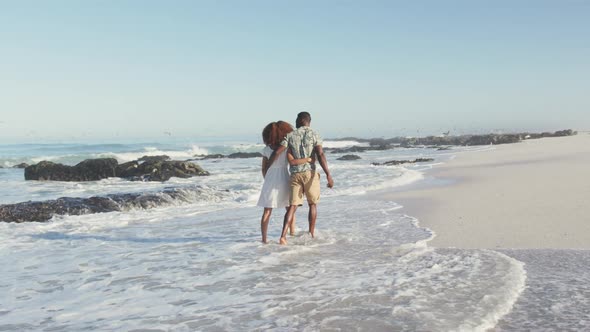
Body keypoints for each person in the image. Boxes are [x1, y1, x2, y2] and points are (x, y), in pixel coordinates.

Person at [276, 112, 334, 245]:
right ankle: (311, 233)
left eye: (297, 119)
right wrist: (328, 175)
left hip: (295, 174)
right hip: (309, 174)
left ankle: (283, 236)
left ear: (302, 120)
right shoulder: (315, 134)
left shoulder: (290, 136)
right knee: (312, 204)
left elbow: (279, 150)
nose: (295, 122)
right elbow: (320, 153)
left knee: (292, 206)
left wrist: (269, 163)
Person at [256, 121, 312, 244]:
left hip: (270, 180)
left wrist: (268, 179)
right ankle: (291, 232)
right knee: (290, 208)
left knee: (267, 211)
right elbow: (293, 162)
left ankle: (264, 239)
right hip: (284, 178)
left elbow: (264, 168)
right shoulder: (286, 148)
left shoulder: (266, 150)